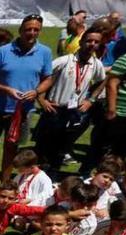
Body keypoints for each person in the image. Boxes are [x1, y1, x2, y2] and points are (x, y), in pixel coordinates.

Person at [0, 15, 53, 180]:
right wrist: (5, 89)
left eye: (35, 30)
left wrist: (37, 91)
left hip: (22, 111)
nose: (31, 33)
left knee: (11, 148)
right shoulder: (4, 51)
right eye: (28, 29)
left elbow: (48, 78)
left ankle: (5, 183)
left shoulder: (45, 52)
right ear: (20, 30)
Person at [35, 29, 106, 169]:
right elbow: (43, 77)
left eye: (96, 42)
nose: (92, 44)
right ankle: (35, 179)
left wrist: (90, 100)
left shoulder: (97, 64)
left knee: (63, 148)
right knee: (44, 147)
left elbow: (101, 82)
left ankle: (53, 176)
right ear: (81, 42)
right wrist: (41, 99)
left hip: (74, 111)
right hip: (55, 108)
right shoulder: (64, 61)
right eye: (89, 40)